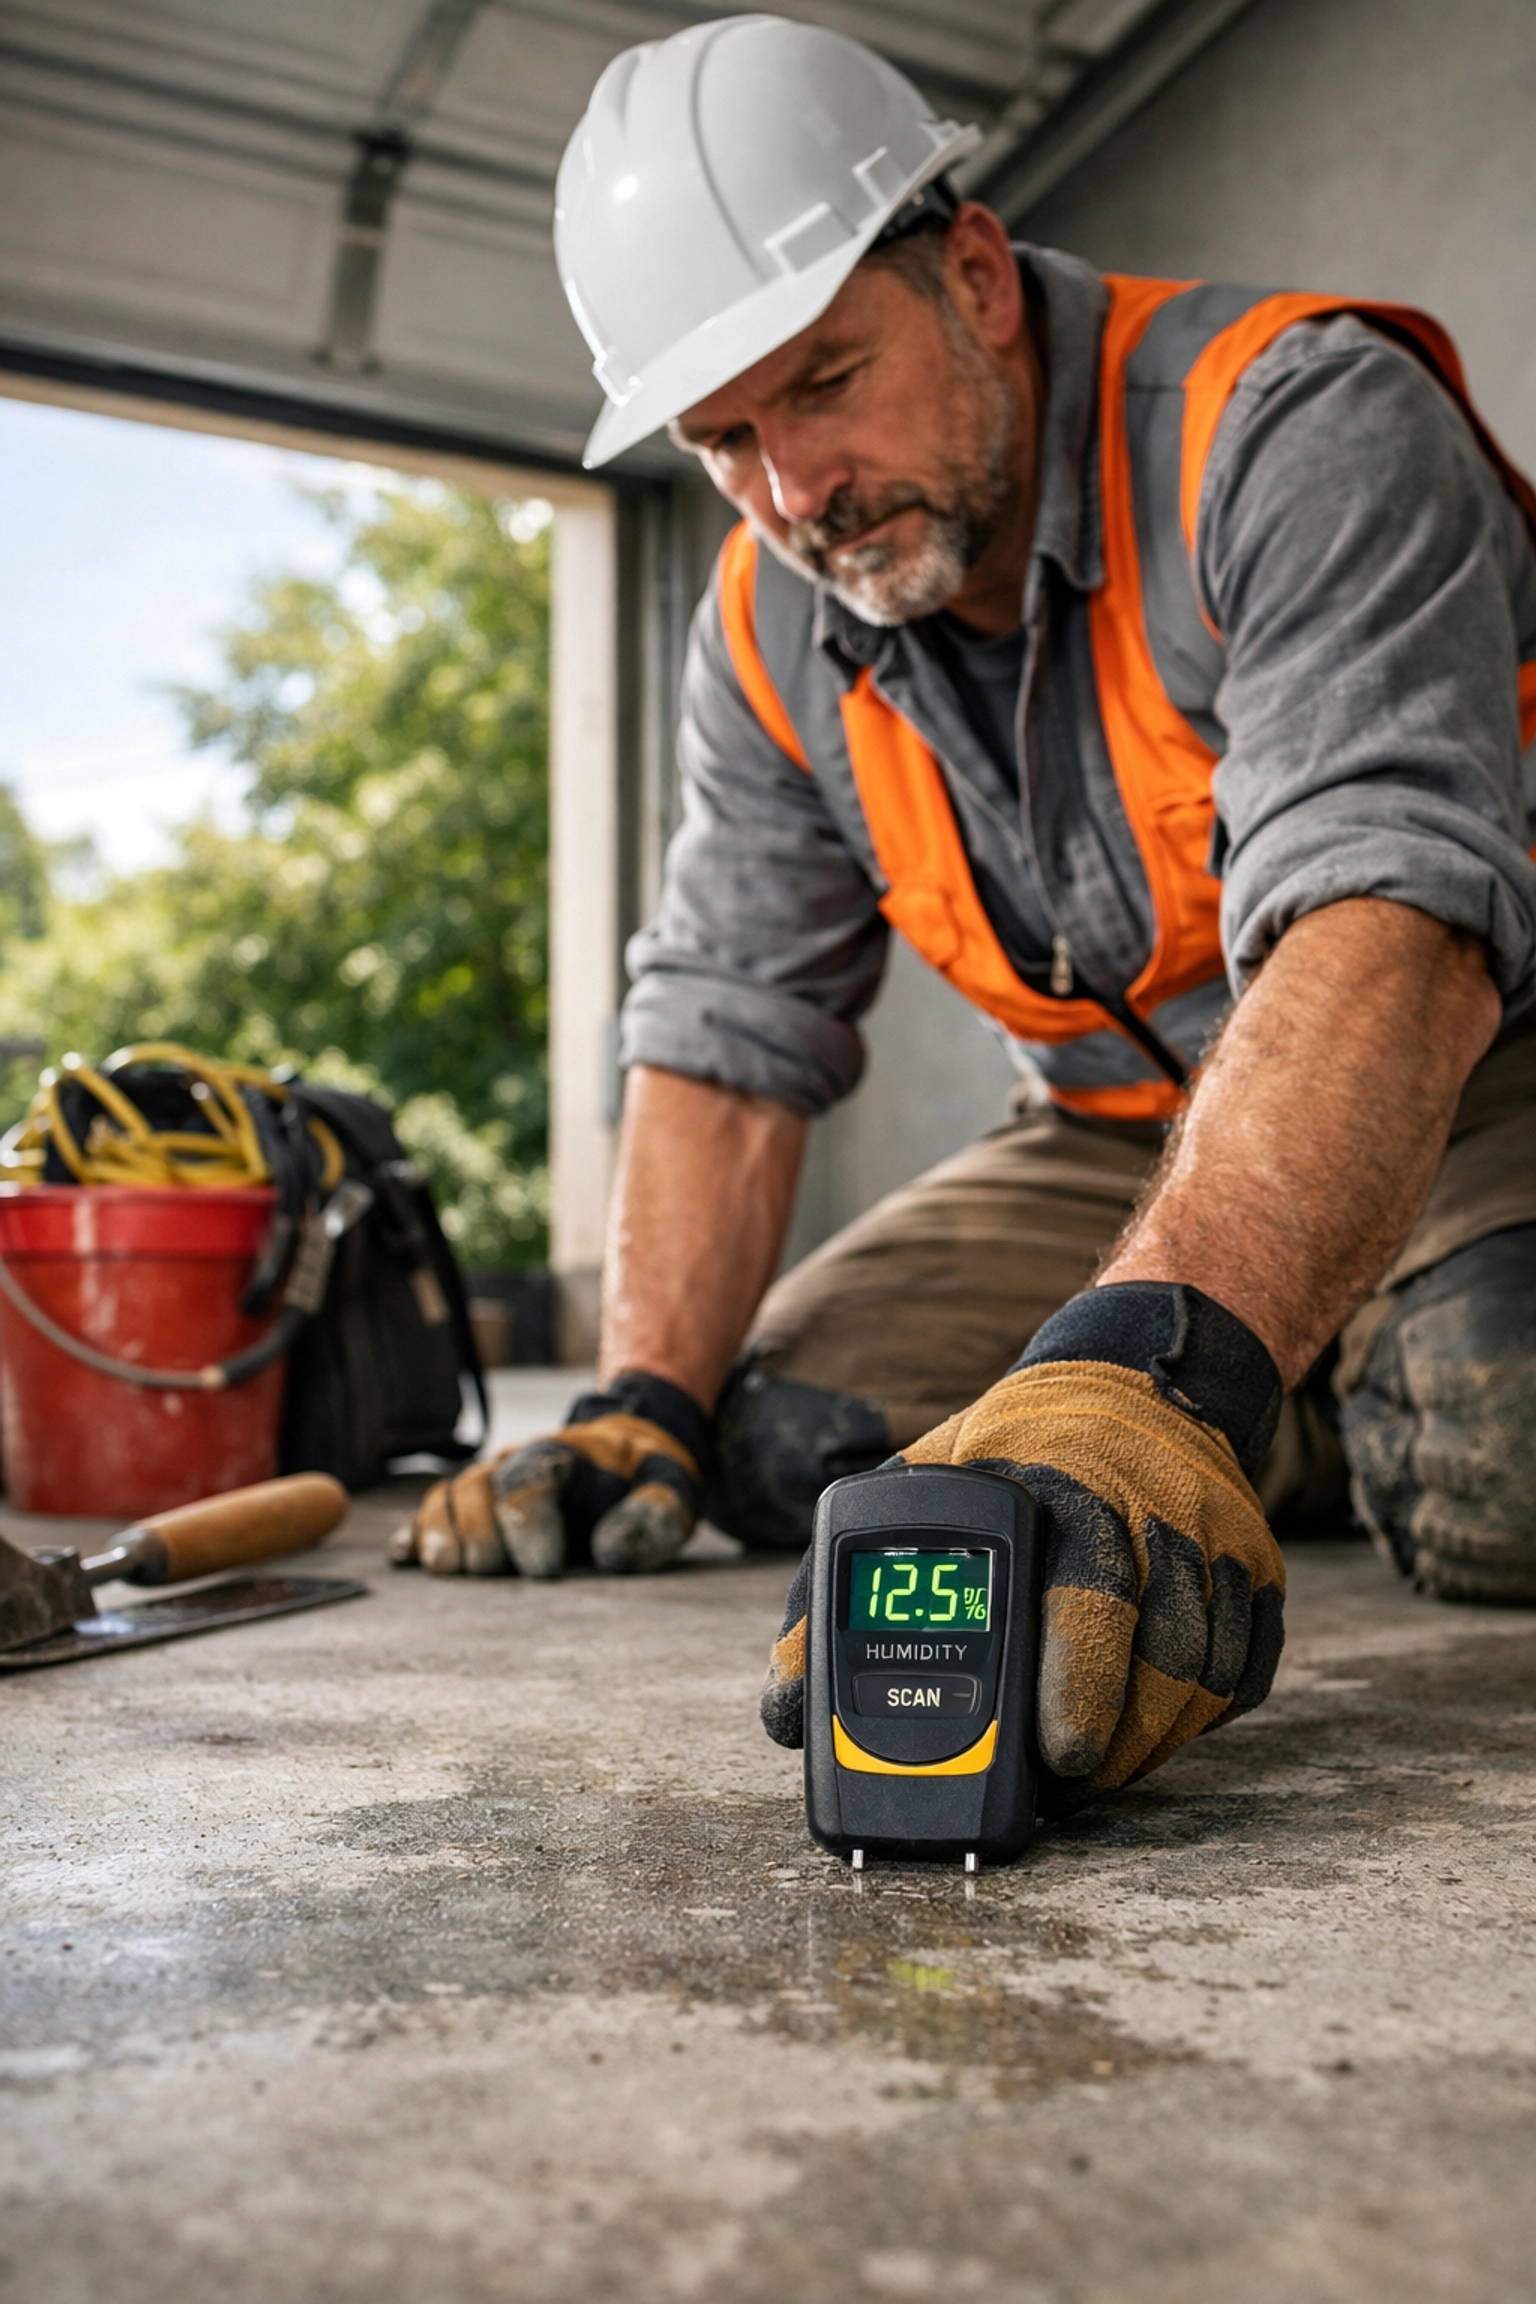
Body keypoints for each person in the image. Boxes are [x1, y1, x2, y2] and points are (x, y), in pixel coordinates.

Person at [392, 16, 1536, 1806]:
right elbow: (724, 1024)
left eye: (825, 382)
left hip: (1467, 1064)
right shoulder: (771, 635)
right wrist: (636, 1402)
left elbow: (1389, 906)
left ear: (978, 276)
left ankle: (1265, 1362)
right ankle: (1295, 1375)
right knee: (793, 1447)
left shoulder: (1291, 425)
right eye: (723, 442)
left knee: (1502, 1448)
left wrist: (1148, 1372)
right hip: (1118, 1132)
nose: (793, 494)